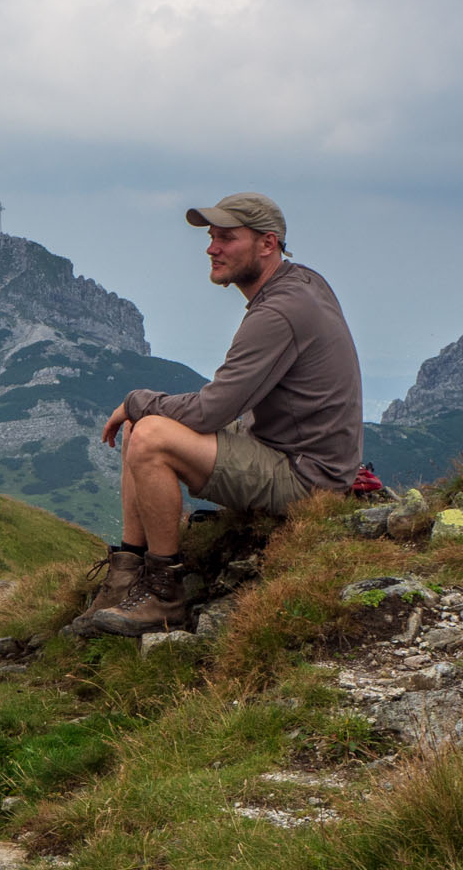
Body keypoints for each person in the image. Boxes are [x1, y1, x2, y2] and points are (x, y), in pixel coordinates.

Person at [71, 192, 362, 638]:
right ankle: (127, 574)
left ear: (268, 244)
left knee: (148, 434)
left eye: (227, 238)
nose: (212, 249)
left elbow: (211, 411)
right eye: (211, 238)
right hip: (293, 451)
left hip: (306, 478)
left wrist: (136, 400)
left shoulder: (280, 310)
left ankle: (165, 594)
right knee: (140, 426)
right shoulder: (302, 282)